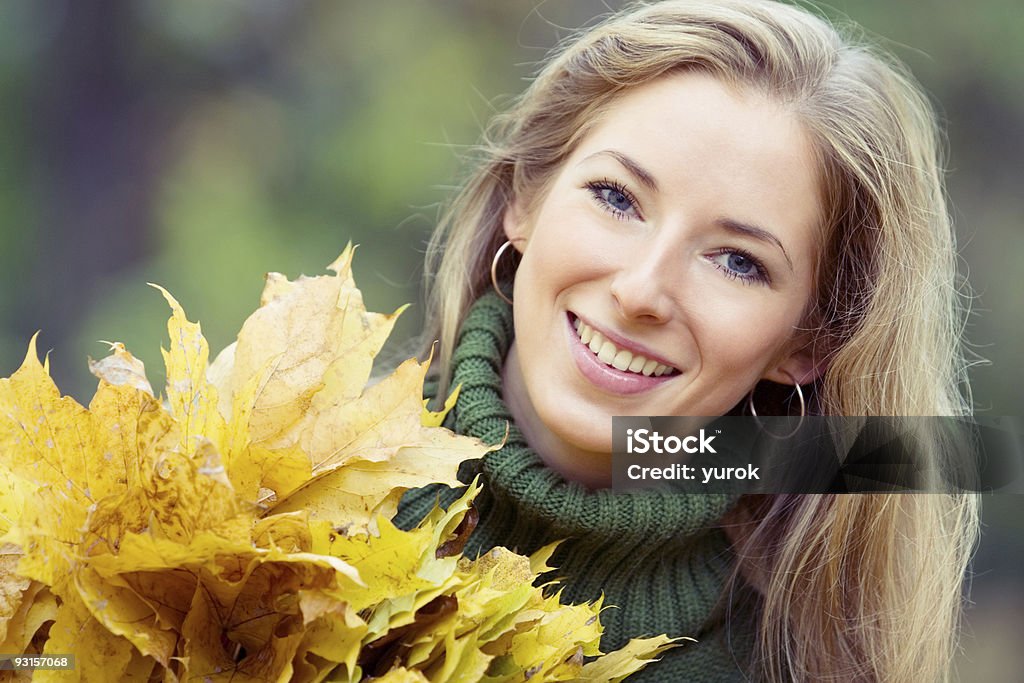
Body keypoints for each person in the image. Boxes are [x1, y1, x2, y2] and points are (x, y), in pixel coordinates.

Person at [395, 1, 979, 680]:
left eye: (736, 261)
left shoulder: (777, 667)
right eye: (617, 198)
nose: (641, 291)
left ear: (806, 344)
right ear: (524, 197)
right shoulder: (271, 475)